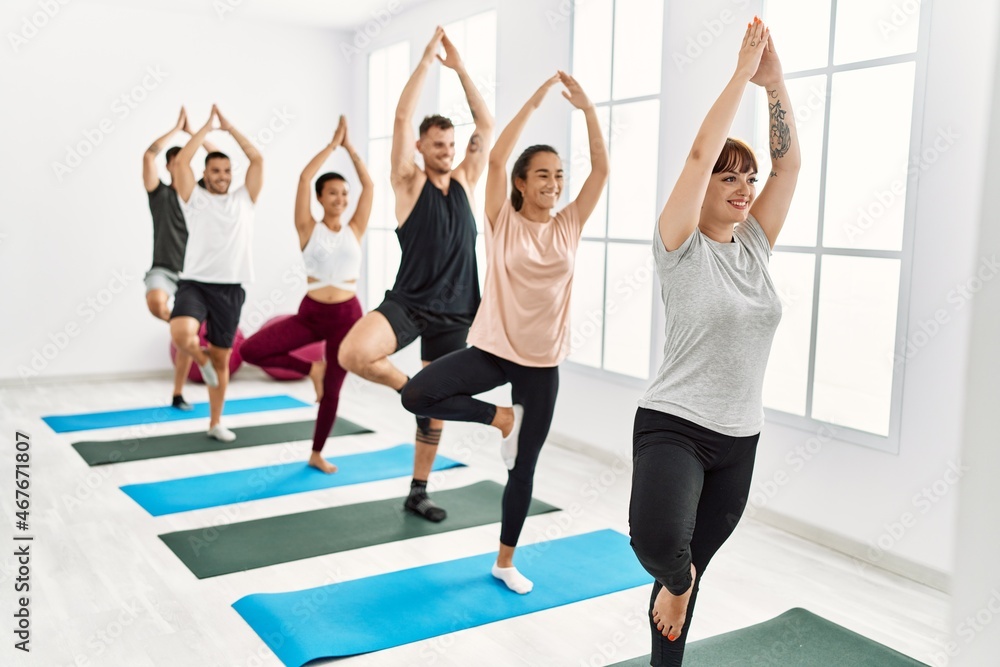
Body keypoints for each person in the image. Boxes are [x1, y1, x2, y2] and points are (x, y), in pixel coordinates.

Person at [628, 18, 800, 666]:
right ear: (704, 189)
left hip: (740, 441)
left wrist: (774, 82)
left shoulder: (754, 244)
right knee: (659, 546)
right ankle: (677, 579)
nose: (742, 187)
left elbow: (789, 164)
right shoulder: (679, 245)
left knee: (684, 575)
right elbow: (700, 153)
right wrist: (739, 75)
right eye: (729, 178)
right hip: (674, 424)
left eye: (746, 179)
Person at [401, 71, 608, 593]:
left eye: (558, 176)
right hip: (492, 351)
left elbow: (602, 169)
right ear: (520, 181)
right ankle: (500, 419)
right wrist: (536, 99)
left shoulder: (569, 224)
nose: (554, 184)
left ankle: (505, 561)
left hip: (542, 366)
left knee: (524, 471)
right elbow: (495, 157)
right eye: (542, 175)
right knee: (418, 393)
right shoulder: (501, 219)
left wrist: (586, 111)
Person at [338, 27, 494, 521]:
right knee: (354, 353)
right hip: (408, 302)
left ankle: (418, 490)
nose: (447, 150)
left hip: (456, 313)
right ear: (421, 149)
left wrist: (462, 70)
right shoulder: (407, 183)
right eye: (437, 144)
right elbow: (403, 116)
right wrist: (427, 59)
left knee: (433, 414)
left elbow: (485, 127)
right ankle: (412, 387)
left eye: (450, 143)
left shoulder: (467, 181)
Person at [241, 116, 372, 472]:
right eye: (333, 193)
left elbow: (369, 185)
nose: (341, 199)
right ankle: (310, 367)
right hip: (312, 312)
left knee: (333, 390)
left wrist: (353, 152)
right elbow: (302, 178)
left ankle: (317, 453)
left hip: (347, 317)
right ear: (319, 197)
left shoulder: (355, 229)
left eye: (345, 194)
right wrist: (332, 146)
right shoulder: (307, 228)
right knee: (251, 350)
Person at [169, 105, 264, 443]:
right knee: (182, 335)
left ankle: (215, 422)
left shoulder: (244, 199)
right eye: (215, 171)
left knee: (222, 358)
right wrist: (204, 131)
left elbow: (257, 160)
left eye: (226, 170)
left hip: (230, 289)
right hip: (195, 283)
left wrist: (229, 128)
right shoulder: (193, 199)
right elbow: (181, 163)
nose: (222, 175)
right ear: (205, 174)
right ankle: (199, 358)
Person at [142, 106, 219, 410]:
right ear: (170, 166)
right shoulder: (158, 193)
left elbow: (221, 163)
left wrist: (195, 135)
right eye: (178, 161)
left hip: (193, 275)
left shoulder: (199, 195)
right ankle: (194, 346)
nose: (184, 165)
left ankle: (177, 394)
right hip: (163, 268)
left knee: (183, 333)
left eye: (189, 161)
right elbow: (148, 156)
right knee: (158, 305)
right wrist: (177, 130)